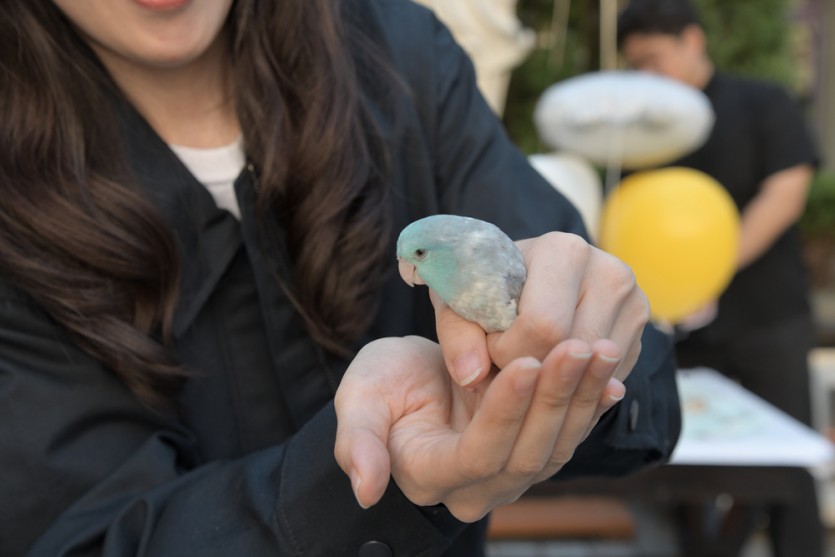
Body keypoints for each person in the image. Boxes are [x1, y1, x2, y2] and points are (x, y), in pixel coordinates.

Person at [0, 1, 680, 556]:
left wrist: (583, 348)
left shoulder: (403, 57)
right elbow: (68, 535)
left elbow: (646, 391)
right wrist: (358, 478)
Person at [617, 1, 821, 555]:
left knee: (787, 467)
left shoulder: (764, 102)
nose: (645, 76)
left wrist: (710, 268)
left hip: (767, 320)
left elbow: (786, 193)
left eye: (654, 59)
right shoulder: (642, 131)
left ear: (692, 41)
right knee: (685, 467)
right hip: (682, 329)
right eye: (635, 65)